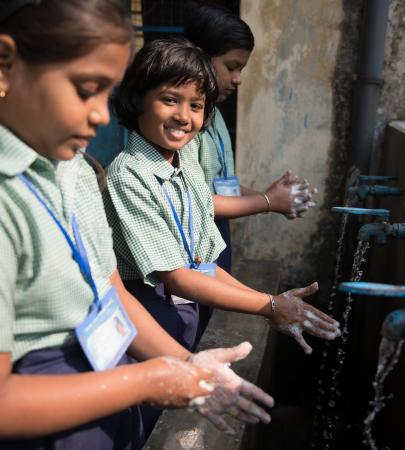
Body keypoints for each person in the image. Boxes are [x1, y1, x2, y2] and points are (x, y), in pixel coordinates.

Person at [0, 1, 274, 448]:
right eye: (85, 88)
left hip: (109, 390)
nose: (102, 115)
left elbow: (113, 291)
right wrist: (147, 382)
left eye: (105, 93)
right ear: (6, 65)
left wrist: (189, 366)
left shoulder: (78, 172)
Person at [105, 37, 341, 358]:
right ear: (138, 100)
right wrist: (269, 305)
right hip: (146, 311)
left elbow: (204, 266)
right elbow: (176, 277)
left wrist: (270, 302)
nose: (184, 116)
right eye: (170, 99)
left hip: (183, 304)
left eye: (196, 105)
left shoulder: (185, 163)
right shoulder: (129, 174)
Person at [182, 1, 318, 272]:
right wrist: (267, 202)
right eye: (231, 66)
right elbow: (193, 201)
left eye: (241, 69)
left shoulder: (216, 116)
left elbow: (220, 185)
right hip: (190, 247)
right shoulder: (183, 126)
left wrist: (274, 196)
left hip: (216, 238)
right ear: (198, 56)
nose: (237, 79)